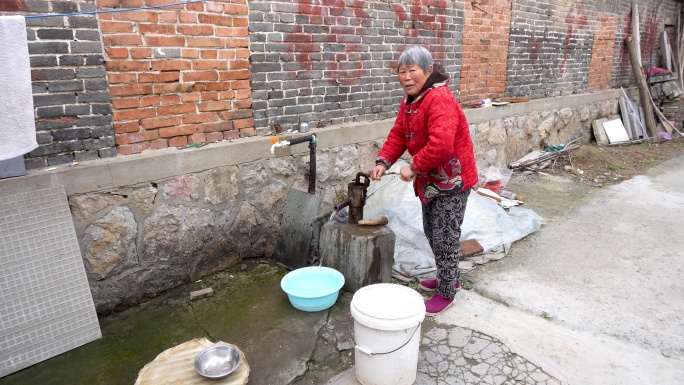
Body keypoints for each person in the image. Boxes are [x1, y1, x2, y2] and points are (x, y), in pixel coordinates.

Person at [370, 45, 478, 315]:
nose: (406, 77)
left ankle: (447, 291)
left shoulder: (439, 98)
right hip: (432, 183)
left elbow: (441, 144)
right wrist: (383, 161)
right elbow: (398, 135)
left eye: (412, 70)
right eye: (401, 71)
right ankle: (448, 277)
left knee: (445, 237)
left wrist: (414, 166)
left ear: (428, 71)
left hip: (452, 182)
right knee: (433, 232)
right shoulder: (410, 101)